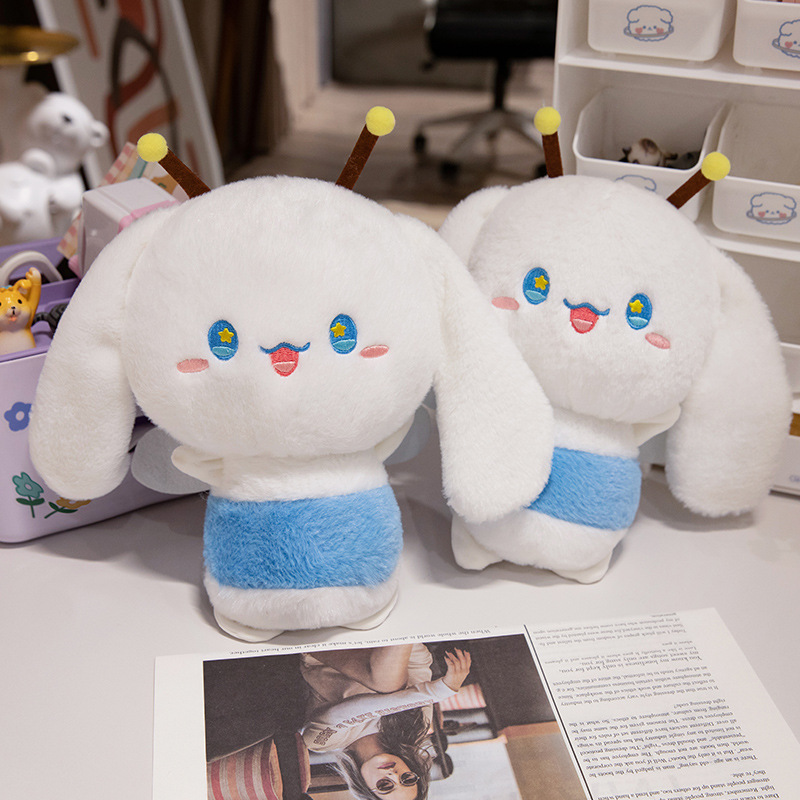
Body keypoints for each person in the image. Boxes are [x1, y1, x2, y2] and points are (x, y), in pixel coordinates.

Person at [300, 644, 472, 799]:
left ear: (363, 787)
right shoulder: (415, 728)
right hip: (382, 639)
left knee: (388, 686)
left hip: (322, 647)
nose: (394, 775)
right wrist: (387, 646)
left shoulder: (320, 742)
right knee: (390, 684)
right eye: (407, 779)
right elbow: (418, 665)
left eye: (385, 786)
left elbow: (354, 709)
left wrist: (438, 692)